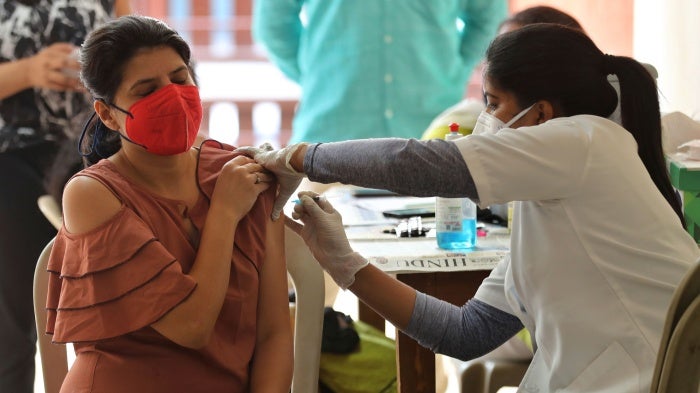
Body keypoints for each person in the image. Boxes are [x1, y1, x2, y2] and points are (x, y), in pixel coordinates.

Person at [241, 24, 700, 392]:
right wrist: (345, 264)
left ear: (541, 114)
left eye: (494, 104)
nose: (485, 122)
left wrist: (302, 157)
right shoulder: (548, 210)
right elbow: (466, 333)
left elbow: (425, 165)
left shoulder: (586, 140)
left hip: (651, 376)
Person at [44, 15, 293, 392]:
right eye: (146, 90)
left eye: (180, 79)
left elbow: (274, 333)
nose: (173, 97)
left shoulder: (241, 174)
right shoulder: (92, 194)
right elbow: (191, 326)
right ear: (108, 114)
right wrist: (224, 213)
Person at [0, 1, 130, 391]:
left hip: (95, 156)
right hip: (10, 159)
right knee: (11, 323)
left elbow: (137, 56)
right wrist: (27, 72)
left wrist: (99, 74)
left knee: (115, 310)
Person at [252, 0, 507, 144]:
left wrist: (457, 69)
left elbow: (490, 18)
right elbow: (273, 25)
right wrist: (314, 77)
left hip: (431, 132)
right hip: (331, 135)